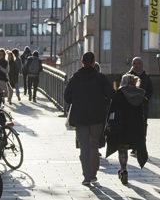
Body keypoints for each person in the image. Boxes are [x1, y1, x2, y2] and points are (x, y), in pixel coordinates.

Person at [63, 52, 115, 186]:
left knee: (84, 146)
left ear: (82, 61)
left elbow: (67, 97)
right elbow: (111, 94)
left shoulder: (75, 78)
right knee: (94, 145)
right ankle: (93, 174)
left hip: (80, 117)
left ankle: (86, 176)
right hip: (97, 116)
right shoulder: (100, 78)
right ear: (94, 62)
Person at [104, 73, 149, 185]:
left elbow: (112, 110)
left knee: (122, 149)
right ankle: (123, 170)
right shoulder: (140, 94)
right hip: (135, 127)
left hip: (121, 126)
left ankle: (123, 170)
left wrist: (108, 124)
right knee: (132, 145)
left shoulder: (119, 93)